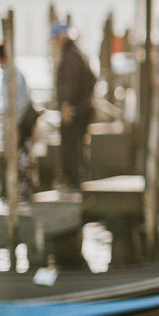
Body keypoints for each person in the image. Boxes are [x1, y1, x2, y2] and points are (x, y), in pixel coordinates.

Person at [51, 21, 96, 191]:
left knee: (70, 146)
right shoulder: (78, 53)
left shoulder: (69, 56)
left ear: (62, 37)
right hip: (82, 108)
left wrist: (67, 105)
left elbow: (70, 82)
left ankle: (73, 182)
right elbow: (92, 79)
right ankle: (76, 181)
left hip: (72, 109)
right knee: (77, 145)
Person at [0, 43, 38, 201]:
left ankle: (22, 190)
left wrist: (15, 125)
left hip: (19, 123)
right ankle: (17, 190)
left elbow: (18, 102)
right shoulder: (11, 72)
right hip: (17, 122)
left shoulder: (12, 74)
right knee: (19, 156)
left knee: (20, 156)